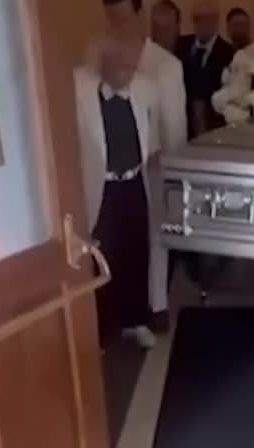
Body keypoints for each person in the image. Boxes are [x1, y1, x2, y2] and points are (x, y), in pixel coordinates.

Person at [89, 0, 188, 332]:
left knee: (154, 239)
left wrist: (174, 173)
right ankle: (118, 315)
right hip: (112, 168)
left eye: (124, 17)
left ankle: (155, 305)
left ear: (138, 14)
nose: (118, 25)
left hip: (154, 165)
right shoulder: (97, 54)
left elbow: (175, 127)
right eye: (111, 17)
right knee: (113, 242)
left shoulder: (166, 66)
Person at [74, 34, 160, 348]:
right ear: (103, 66)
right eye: (122, 67)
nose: (129, 74)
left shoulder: (145, 89)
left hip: (134, 183)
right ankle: (102, 330)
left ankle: (136, 321)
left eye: (132, 67)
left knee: (136, 251)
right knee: (102, 256)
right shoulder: (79, 90)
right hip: (102, 187)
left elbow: (153, 137)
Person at [175, 0, 235, 139]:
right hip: (183, 125)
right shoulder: (180, 45)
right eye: (197, 19)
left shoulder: (229, 53)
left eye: (208, 18)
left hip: (214, 127)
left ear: (216, 21)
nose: (202, 23)